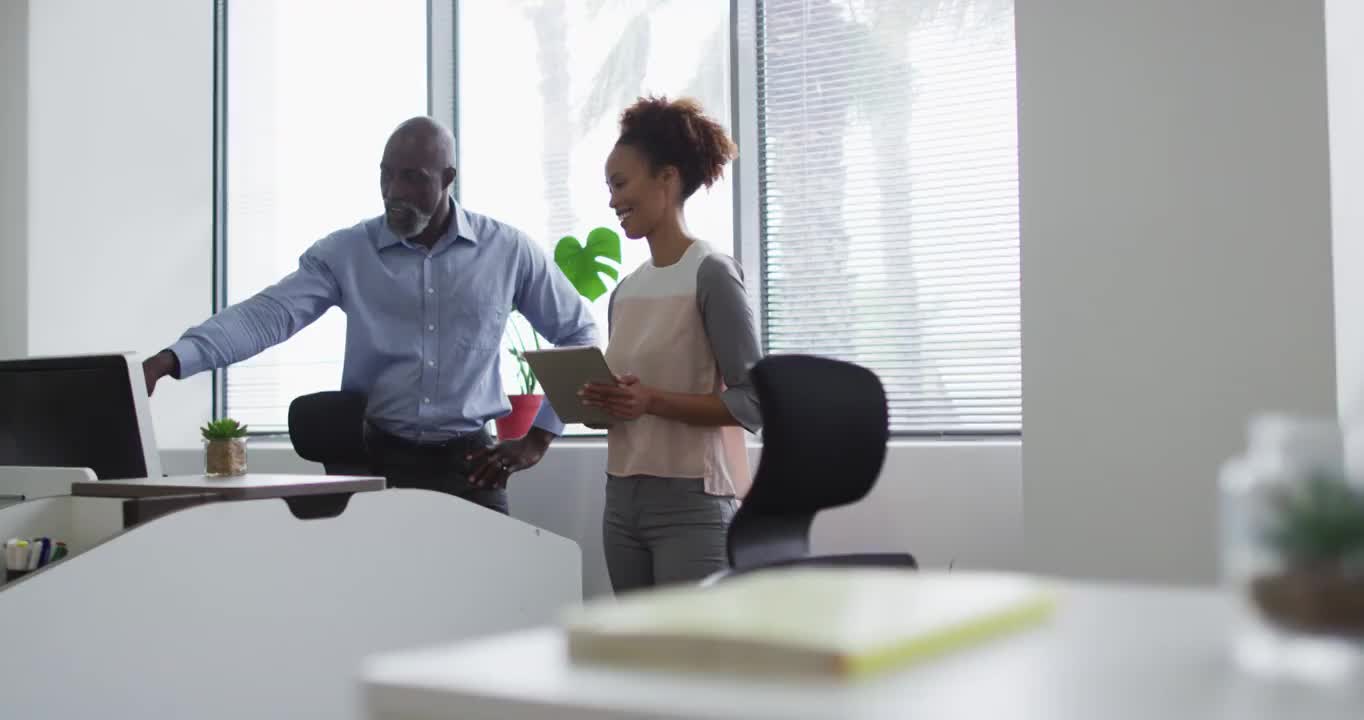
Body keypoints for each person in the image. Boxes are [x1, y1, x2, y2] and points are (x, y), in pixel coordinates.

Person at [143, 116, 599, 515]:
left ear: (448, 177)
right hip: (377, 463)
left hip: (471, 469)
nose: (395, 193)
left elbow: (579, 330)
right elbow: (269, 315)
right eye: (386, 177)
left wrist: (538, 439)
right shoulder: (347, 253)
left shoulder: (506, 251)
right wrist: (170, 361)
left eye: (413, 179)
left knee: (489, 606)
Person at [580, 96, 764, 592]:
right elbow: (630, 407)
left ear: (668, 178)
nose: (614, 201)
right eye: (609, 188)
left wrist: (652, 400)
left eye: (621, 184)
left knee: (691, 664)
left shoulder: (712, 274)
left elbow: (753, 401)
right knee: (638, 663)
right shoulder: (625, 290)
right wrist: (605, 401)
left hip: (693, 504)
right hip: (620, 501)